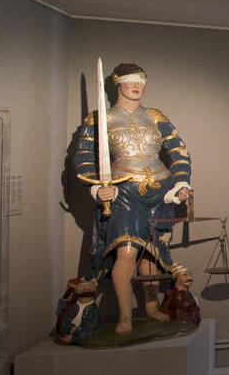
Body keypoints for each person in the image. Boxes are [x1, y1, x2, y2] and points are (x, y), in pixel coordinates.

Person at [70, 62, 192, 334]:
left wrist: (181, 182)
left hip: (160, 191)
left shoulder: (156, 117)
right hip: (123, 191)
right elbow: (83, 158)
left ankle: (150, 308)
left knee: (151, 253)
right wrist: (96, 189)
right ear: (118, 84)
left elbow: (179, 151)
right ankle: (125, 316)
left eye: (141, 82)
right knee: (126, 251)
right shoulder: (99, 119)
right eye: (131, 82)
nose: (136, 87)